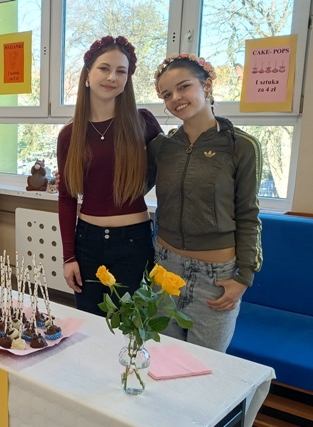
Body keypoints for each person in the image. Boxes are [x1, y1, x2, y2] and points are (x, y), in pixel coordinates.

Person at [148, 53, 263, 352]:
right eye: (167, 94)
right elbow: (127, 185)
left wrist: (244, 277)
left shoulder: (241, 146)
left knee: (207, 368)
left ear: (206, 85)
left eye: (184, 86)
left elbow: (249, 215)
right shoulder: (162, 147)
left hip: (215, 278)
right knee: (164, 359)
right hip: (165, 267)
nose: (176, 98)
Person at [56, 35, 162, 316]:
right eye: (104, 68)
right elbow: (66, 198)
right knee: (90, 326)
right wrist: (68, 257)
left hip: (134, 241)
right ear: (88, 73)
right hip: (87, 242)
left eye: (121, 71)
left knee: (131, 327)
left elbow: (168, 172)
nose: (112, 77)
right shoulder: (69, 135)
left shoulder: (143, 122)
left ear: (128, 79)